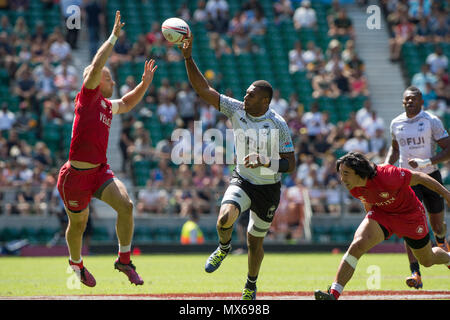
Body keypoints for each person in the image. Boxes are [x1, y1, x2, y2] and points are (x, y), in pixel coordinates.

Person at [179, 34, 295, 300]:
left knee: (255, 243)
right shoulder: (236, 109)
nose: (245, 96)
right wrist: (188, 57)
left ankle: (250, 285)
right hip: (243, 179)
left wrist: (265, 160)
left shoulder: (278, 124)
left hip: (268, 187)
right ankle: (223, 247)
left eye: (251, 95)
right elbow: (203, 90)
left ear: (264, 102)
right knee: (224, 218)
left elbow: (291, 164)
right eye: (246, 92)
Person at [56, 11, 157, 287]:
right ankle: (76, 264)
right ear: (98, 81)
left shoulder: (106, 106)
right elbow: (97, 64)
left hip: (100, 172)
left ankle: (124, 260)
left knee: (126, 206)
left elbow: (125, 103)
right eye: (108, 78)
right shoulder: (88, 97)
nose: (111, 81)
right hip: (75, 176)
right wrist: (113, 36)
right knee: (78, 224)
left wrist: (144, 85)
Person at [315, 152, 450, 300]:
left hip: (410, 216)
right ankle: (334, 294)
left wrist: (447, 195)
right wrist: (372, 225)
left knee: (427, 260)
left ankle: (448, 258)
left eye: (346, 173)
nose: (342, 179)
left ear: (359, 171)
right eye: (340, 174)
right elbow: (367, 200)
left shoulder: (388, 175)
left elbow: (420, 177)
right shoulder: (353, 186)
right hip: (382, 214)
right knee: (357, 245)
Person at [385, 86, 450, 289]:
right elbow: (395, 150)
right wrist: (385, 167)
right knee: (408, 225)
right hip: (408, 180)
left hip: (430, 176)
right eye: (406, 100)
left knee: (437, 226)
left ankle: (442, 244)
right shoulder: (396, 123)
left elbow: (448, 149)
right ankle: (415, 273)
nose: (409, 102)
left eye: (413, 99)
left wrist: (427, 162)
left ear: (422, 101)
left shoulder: (431, 121)